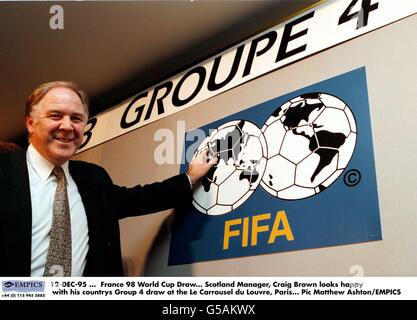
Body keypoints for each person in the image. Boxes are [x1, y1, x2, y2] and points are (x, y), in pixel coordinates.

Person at [0, 81, 216, 276]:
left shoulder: (94, 179)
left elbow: (141, 198)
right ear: (30, 123)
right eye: (55, 116)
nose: (67, 126)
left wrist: (191, 176)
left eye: (76, 118)